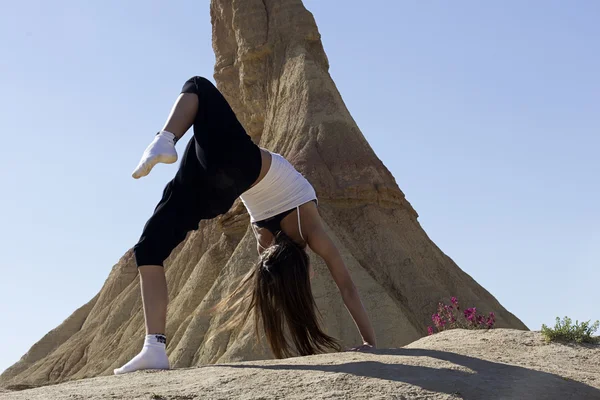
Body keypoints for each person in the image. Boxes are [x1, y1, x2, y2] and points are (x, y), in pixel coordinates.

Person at [113, 76, 376, 375]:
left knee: (198, 86)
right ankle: (154, 348)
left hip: (240, 162)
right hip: (217, 192)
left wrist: (371, 341)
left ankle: (165, 137)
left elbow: (348, 287)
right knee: (149, 248)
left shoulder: (309, 231)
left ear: (305, 267)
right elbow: (346, 288)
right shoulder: (266, 244)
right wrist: (368, 342)